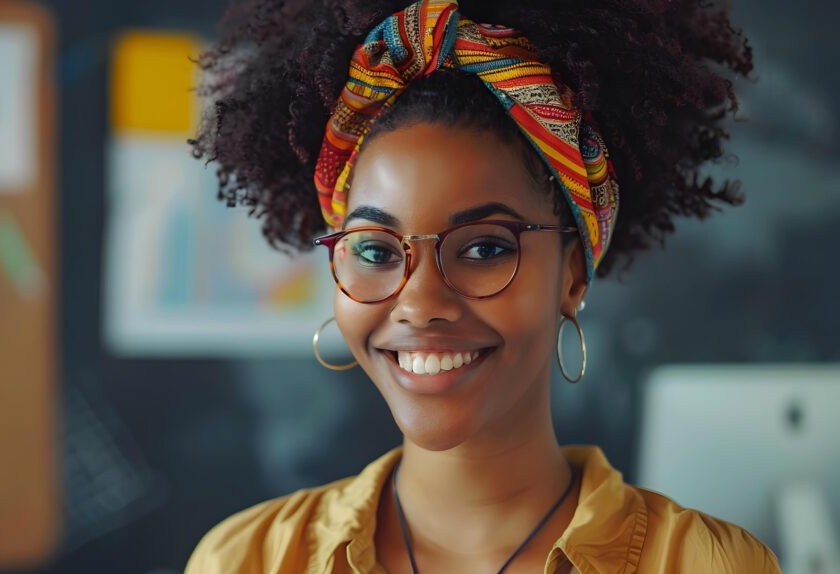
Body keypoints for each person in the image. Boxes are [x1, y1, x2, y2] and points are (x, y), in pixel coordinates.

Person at [184, 0, 781, 572]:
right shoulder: (246, 560)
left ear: (572, 276)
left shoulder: (706, 565)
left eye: (485, 248)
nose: (419, 303)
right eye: (374, 249)